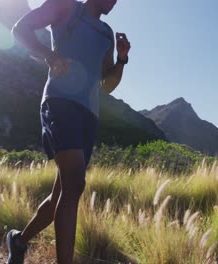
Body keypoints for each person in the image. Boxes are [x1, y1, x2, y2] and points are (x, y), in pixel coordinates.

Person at [8, 0, 130, 263]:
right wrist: (49, 55)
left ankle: (18, 241)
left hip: (89, 115)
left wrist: (122, 58)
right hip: (59, 102)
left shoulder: (106, 33)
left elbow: (106, 85)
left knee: (60, 196)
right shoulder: (65, 7)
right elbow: (20, 29)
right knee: (75, 184)